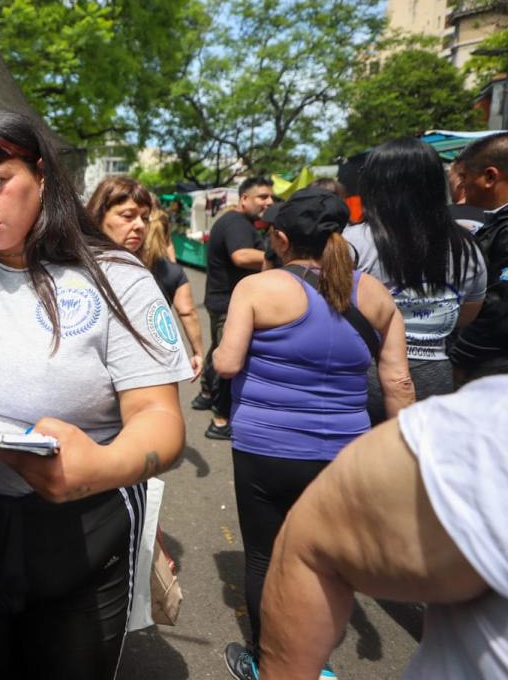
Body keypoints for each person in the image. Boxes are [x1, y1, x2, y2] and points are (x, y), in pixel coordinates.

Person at [0, 111, 191, 680]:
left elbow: (160, 419)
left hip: (80, 524)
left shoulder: (117, 278)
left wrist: (99, 468)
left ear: (43, 177)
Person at [210, 187, 414, 680]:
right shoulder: (377, 294)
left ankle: (269, 664)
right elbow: (398, 383)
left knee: (266, 557)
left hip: (266, 447)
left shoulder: (258, 289)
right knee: (323, 560)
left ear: (281, 239)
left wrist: (215, 353)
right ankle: (316, 665)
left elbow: (228, 363)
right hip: (343, 453)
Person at [259, 376, 508, 680]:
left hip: (274, 441)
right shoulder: (493, 431)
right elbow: (312, 545)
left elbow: (227, 363)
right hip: (342, 439)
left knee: (260, 556)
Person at [343, 138, 486, 422]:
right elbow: (466, 315)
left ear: (375, 183)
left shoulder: (353, 241)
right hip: (437, 378)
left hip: (365, 376)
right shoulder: (467, 247)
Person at [87, 177, 204, 381]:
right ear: (99, 216)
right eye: (128, 216)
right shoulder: (71, 270)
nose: (140, 225)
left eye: (145, 217)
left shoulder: (142, 276)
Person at [194, 177, 274, 439]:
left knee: (218, 350)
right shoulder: (237, 223)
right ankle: (220, 421)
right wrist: (278, 256)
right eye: (262, 197)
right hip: (228, 304)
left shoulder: (235, 221)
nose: (268, 202)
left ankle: (206, 394)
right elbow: (240, 256)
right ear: (244, 199)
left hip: (222, 301)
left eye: (270, 197)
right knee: (229, 360)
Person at [450, 133, 508, 382]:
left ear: (490, 177)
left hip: (491, 367)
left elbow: (498, 306)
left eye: (464, 178)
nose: (461, 188)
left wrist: (461, 357)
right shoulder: (495, 225)